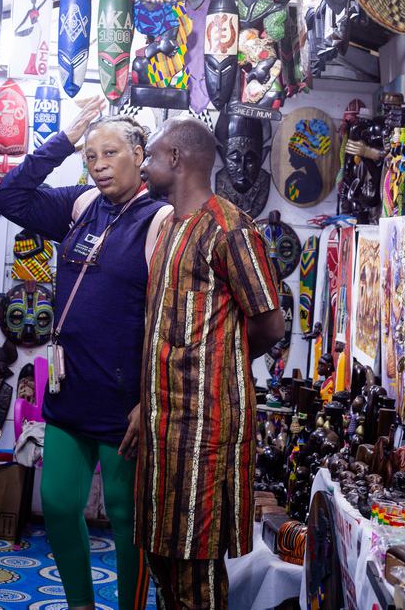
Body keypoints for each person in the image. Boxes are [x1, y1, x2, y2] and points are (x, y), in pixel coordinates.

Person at [0, 97, 168, 610]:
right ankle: (80, 605)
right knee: (59, 503)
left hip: (124, 399)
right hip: (69, 388)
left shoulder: (159, 220)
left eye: (110, 153)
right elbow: (10, 196)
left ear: (139, 155)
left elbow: (168, 321)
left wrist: (149, 399)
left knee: (125, 516)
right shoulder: (82, 206)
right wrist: (64, 141)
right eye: (90, 156)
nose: (99, 165)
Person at [137, 116, 284, 609]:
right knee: (163, 560)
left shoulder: (230, 228)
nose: (144, 164)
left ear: (176, 158)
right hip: (163, 426)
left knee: (195, 573)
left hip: (206, 430)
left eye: (151, 155)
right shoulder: (169, 226)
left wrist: (218, 363)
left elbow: (270, 325)